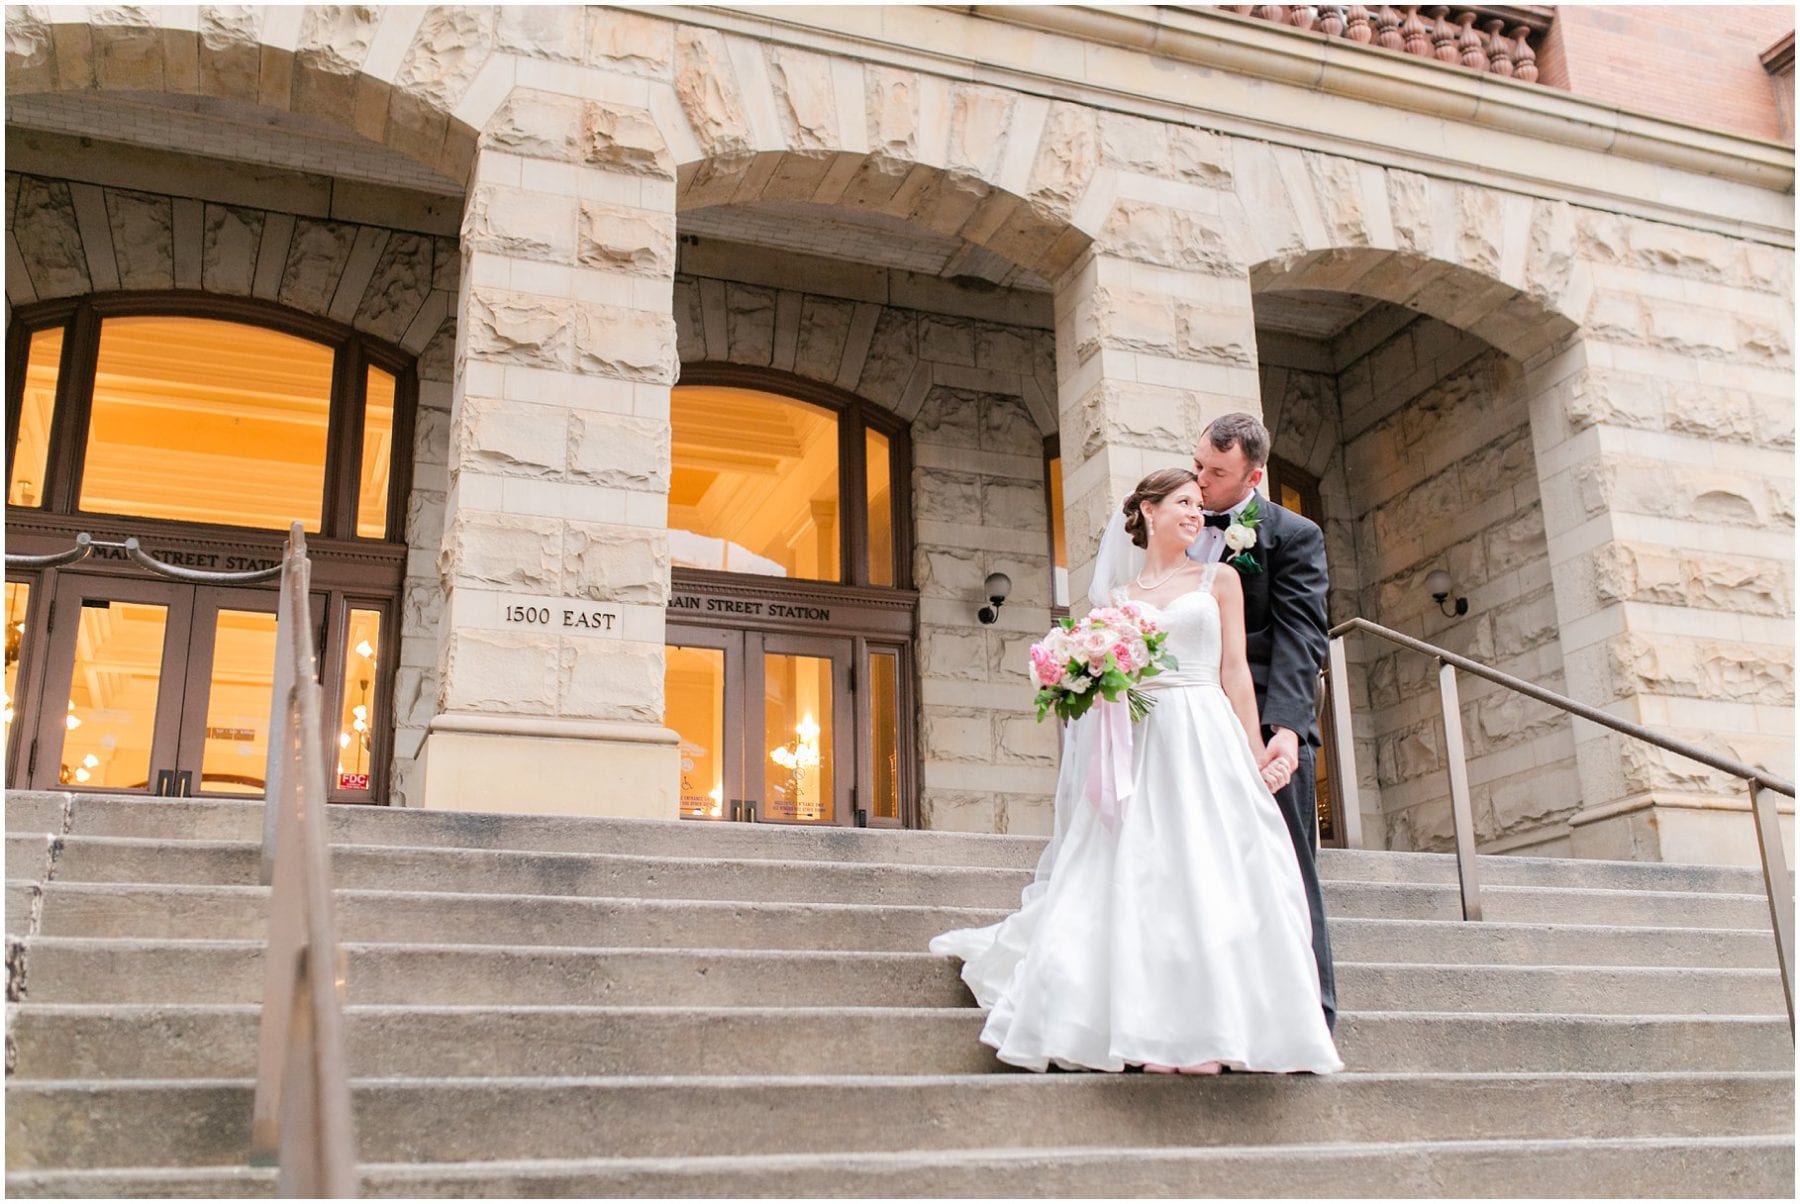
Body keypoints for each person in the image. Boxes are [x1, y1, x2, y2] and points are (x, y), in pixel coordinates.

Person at [929, 467, 1342, 1075]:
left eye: (1200, 504)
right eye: (1183, 502)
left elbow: (1233, 672)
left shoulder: (1219, 579)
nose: (1196, 513)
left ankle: (1219, 1028)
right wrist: (1082, 677)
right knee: (1147, 877)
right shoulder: (1118, 602)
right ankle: (1152, 1032)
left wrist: (1256, 749)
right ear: (1148, 512)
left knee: (1212, 874)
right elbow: (1112, 684)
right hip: (1145, 744)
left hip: (1206, 735)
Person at [1189, 413, 1337, 1032]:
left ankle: (1312, 1012)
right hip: (1192, 723)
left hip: (1266, 729)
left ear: (1253, 475)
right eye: (1197, 464)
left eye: (1216, 473)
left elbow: (1304, 637)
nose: (1200, 481)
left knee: (1288, 867)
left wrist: (1286, 732)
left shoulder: (1292, 534)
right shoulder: (1180, 523)